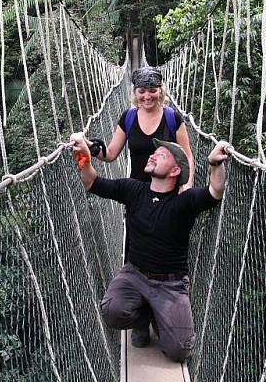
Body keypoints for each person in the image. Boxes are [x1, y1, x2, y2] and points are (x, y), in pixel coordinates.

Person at [70, 133, 229, 362]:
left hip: (171, 284)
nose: (153, 155)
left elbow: (216, 191)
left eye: (161, 155)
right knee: (112, 312)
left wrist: (214, 163)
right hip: (134, 274)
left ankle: (159, 314)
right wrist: (82, 157)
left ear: (175, 171)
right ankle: (145, 315)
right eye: (154, 152)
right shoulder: (133, 190)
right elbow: (91, 182)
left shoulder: (184, 200)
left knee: (180, 352)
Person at [88, 66, 195, 190]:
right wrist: (92, 147)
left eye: (152, 90)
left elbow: (187, 156)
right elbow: (110, 154)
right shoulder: (128, 118)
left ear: (161, 91)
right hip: (136, 194)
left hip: (168, 194)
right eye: (142, 91)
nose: (147, 96)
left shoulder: (172, 118)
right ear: (135, 92)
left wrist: (187, 185)